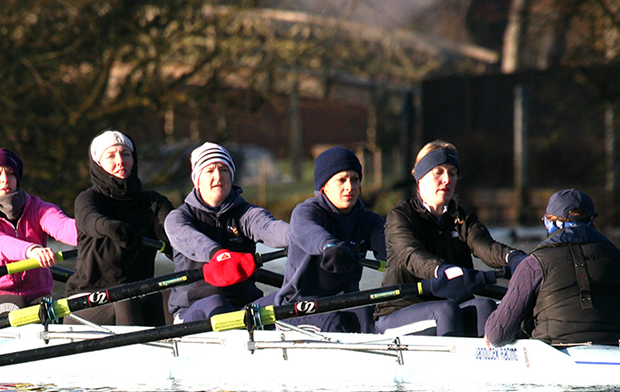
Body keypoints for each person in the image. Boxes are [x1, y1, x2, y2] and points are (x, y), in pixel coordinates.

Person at [376, 140, 526, 337]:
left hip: (447, 307)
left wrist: (515, 258)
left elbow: (487, 247)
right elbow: (412, 255)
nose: (447, 179)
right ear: (420, 178)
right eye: (438, 172)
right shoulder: (400, 216)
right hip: (399, 311)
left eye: (452, 173)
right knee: (446, 310)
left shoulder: (461, 219)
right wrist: (441, 269)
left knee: (485, 306)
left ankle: (488, 356)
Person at [485, 189, 620, 348]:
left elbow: (497, 336)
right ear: (591, 221)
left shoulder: (534, 264)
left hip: (556, 352)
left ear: (551, 223)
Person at [165, 142, 289, 323]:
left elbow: (270, 228)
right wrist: (218, 255)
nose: (218, 176)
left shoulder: (247, 214)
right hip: (193, 309)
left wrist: (300, 237)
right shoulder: (179, 218)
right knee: (217, 303)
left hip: (244, 307)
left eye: (223, 170)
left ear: (231, 176)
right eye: (210, 171)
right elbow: (193, 241)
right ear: (197, 180)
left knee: (291, 297)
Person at [268, 146, 386, 332]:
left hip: (344, 301)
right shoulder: (306, 212)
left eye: (355, 179)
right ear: (324, 186)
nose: (350, 187)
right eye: (341, 180)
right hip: (298, 306)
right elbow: (310, 232)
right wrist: (328, 246)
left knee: (370, 317)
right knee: (333, 322)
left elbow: (391, 249)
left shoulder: (370, 221)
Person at [66, 130, 174, 326]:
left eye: (125, 154)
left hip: (137, 294)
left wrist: (184, 248)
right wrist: (110, 227)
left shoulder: (154, 202)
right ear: (98, 163)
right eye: (111, 156)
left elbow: (173, 232)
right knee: (126, 299)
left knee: (170, 294)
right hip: (87, 298)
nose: (120, 161)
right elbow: (90, 220)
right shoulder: (88, 199)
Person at [0, 148, 78, 321]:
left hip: (35, 297)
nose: (5, 179)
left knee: (60, 308)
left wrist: (93, 234)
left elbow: (63, 226)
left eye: (10, 173)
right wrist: (32, 251)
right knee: (16, 305)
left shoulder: (38, 208)